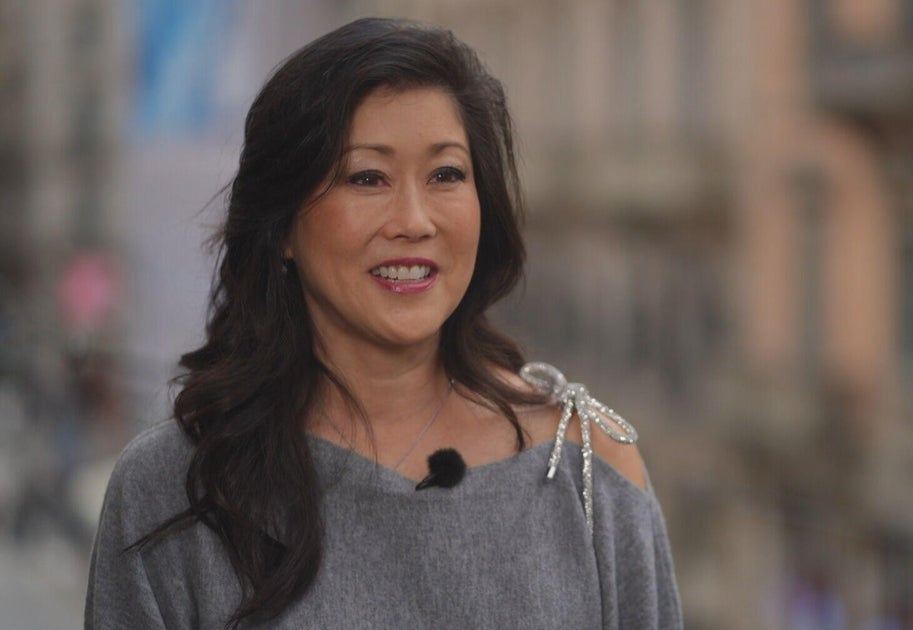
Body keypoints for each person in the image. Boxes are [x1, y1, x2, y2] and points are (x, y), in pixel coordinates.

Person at [85, 18, 682, 629]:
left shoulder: (590, 468)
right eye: (367, 178)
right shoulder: (175, 487)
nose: (414, 221)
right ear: (282, 225)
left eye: (446, 175)